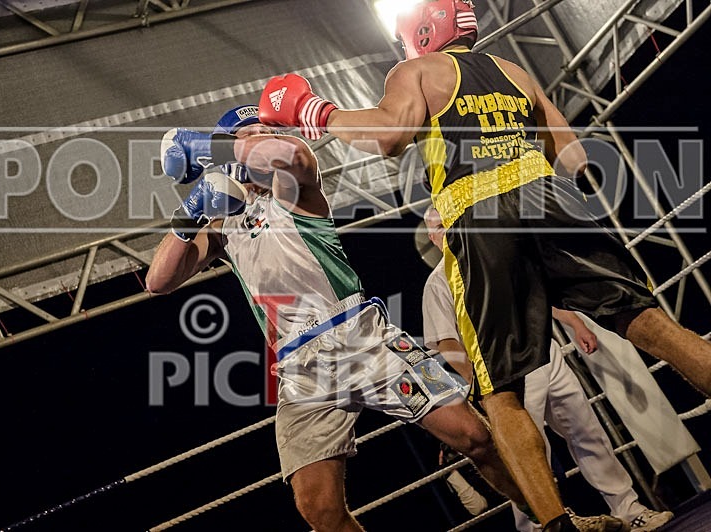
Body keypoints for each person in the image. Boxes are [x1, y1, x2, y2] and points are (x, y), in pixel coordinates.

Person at [256, 0, 711, 528]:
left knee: (500, 394)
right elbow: (572, 154)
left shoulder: (417, 71)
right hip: (551, 200)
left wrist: (317, 111)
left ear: (422, 32)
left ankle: (555, 525)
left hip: (481, 217)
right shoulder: (514, 71)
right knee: (653, 326)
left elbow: (389, 136)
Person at [146, 106, 530, 532]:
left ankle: (550, 517)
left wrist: (207, 147)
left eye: (262, 133)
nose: (259, 140)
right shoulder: (224, 225)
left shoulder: (294, 185)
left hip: (357, 333)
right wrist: (190, 213)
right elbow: (157, 282)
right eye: (247, 134)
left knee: (473, 436)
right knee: (318, 508)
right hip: (298, 365)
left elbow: (290, 154)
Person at [422, 206, 675, 531]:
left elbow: (536, 295)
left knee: (589, 433)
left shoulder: (490, 257)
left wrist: (576, 323)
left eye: (449, 223)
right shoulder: (437, 283)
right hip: (501, 376)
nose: (447, 231)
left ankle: (628, 508)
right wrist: (479, 388)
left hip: (545, 356)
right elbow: (446, 342)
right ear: (431, 238)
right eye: (439, 228)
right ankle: (536, 528)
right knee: (526, 456)